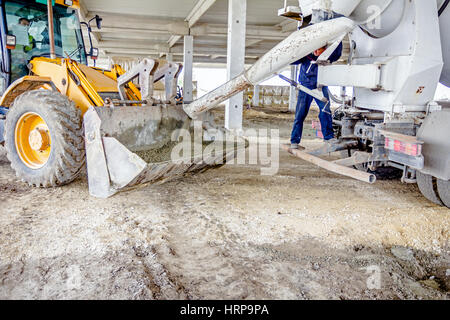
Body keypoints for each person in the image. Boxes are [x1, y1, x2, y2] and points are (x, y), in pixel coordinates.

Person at [289, 42, 343, 150]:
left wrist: (339, 39)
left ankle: (328, 138)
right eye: (315, 49)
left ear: (324, 50)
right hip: (305, 88)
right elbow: (292, 60)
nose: (316, 52)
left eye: (319, 49)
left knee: (325, 111)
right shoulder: (306, 56)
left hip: (321, 87)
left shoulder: (328, 57)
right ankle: (294, 141)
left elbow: (337, 53)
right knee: (300, 115)